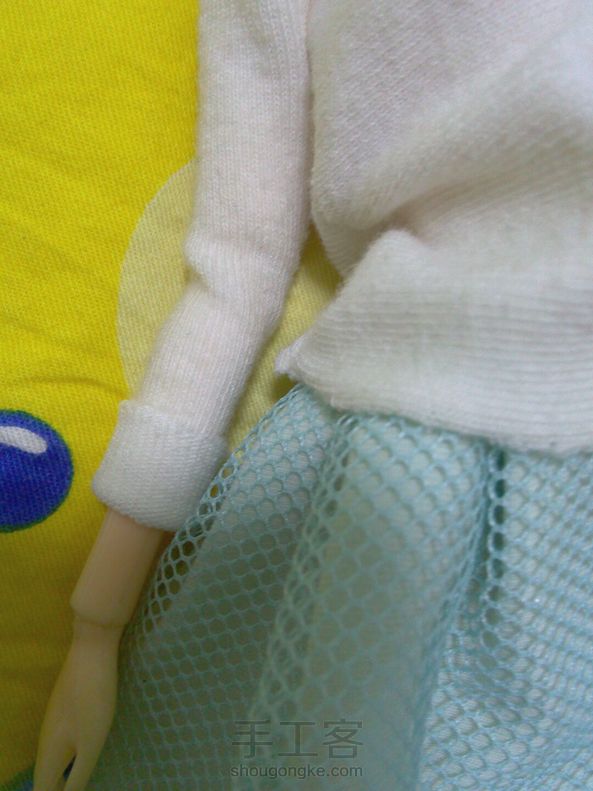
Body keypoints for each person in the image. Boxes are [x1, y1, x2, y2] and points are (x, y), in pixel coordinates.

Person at [34, 1, 593, 789]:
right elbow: (237, 264)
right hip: (425, 466)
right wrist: (96, 626)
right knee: (334, 752)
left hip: (423, 463)